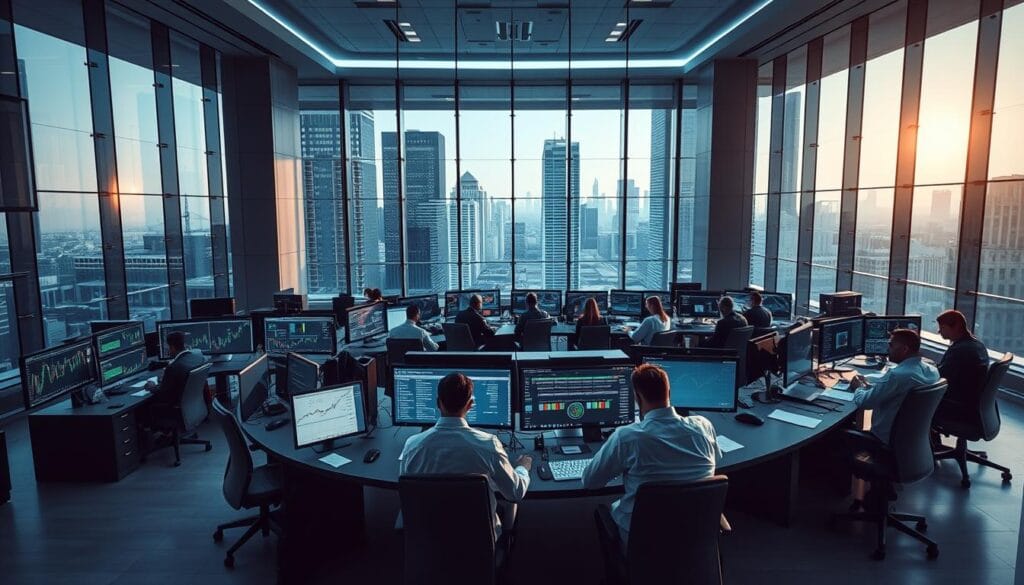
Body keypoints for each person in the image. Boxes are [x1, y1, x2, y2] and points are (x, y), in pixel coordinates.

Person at [582, 364, 721, 548]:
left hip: (643, 542)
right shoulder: (703, 426)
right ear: (669, 392)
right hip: (695, 535)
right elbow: (716, 462)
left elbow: (590, 481)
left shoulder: (627, 437)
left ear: (637, 398)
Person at [399, 372, 532, 538]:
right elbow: (515, 493)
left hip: (429, 542)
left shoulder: (412, 445)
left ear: (437, 403)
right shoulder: (488, 445)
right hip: (478, 543)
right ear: (470, 405)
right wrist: (522, 468)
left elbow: (408, 491)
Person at [848, 328, 940, 444]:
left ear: (904, 349)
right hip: (913, 440)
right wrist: (870, 381)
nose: (887, 349)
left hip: (884, 440)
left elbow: (864, 402)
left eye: (891, 345)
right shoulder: (932, 371)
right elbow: (891, 385)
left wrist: (858, 387)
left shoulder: (897, 376)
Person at [145, 331, 206, 406]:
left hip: (176, 407)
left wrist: (152, 386)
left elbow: (162, 394)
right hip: (195, 405)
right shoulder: (198, 356)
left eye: (167, 347)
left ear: (172, 347)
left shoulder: (173, 368)